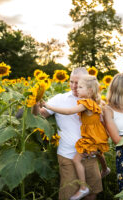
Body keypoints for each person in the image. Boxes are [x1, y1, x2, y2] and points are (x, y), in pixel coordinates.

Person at [32, 68, 103, 200]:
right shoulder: (60, 98)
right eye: (71, 82)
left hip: (89, 153)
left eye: (78, 83)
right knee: (68, 195)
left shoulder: (94, 101)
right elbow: (41, 114)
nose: (74, 86)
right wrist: (35, 102)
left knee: (92, 193)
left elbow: (101, 126)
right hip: (68, 155)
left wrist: (98, 147)